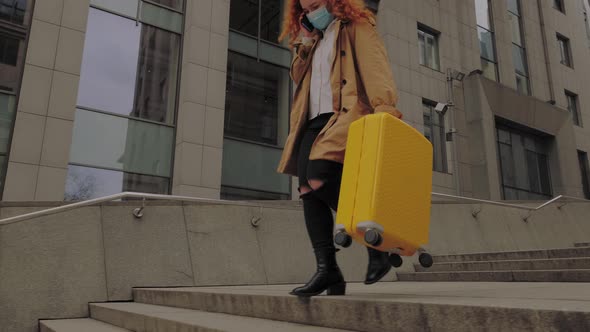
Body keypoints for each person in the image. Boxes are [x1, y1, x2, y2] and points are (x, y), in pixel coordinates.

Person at [277, 0, 402, 297]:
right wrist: (305, 41)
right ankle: (328, 270)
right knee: (307, 191)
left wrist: (383, 110)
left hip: (345, 114)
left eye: (317, 4)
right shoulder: (313, 39)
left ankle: (376, 242)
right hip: (310, 121)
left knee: (320, 173)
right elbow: (297, 76)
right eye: (306, 9)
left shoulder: (356, 25)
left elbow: (375, 68)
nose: (311, 11)